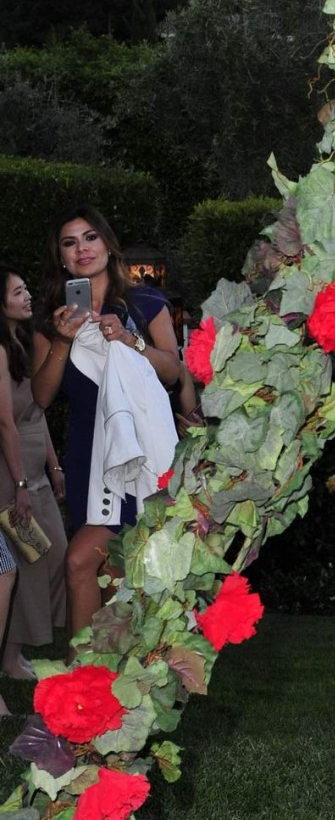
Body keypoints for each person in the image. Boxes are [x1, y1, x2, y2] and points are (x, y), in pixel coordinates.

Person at [31, 207, 180, 641]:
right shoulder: (51, 316)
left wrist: (130, 340)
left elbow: (173, 372)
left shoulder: (146, 303)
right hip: (85, 453)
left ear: (108, 245)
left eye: (90, 237)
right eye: (70, 242)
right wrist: (62, 340)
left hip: (138, 449)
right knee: (109, 571)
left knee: (83, 561)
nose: (82, 249)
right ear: (61, 257)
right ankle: (100, 687)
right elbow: (41, 396)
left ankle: (88, 686)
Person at [0, 266, 67, 682]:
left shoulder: (20, 341)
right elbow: (5, 423)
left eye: (27, 288)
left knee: (53, 552)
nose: (27, 297)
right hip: (12, 472)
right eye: (18, 291)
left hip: (36, 468)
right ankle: (10, 656)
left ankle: (14, 651)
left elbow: (36, 411)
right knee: (25, 559)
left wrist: (54, 465)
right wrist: (21, 484)